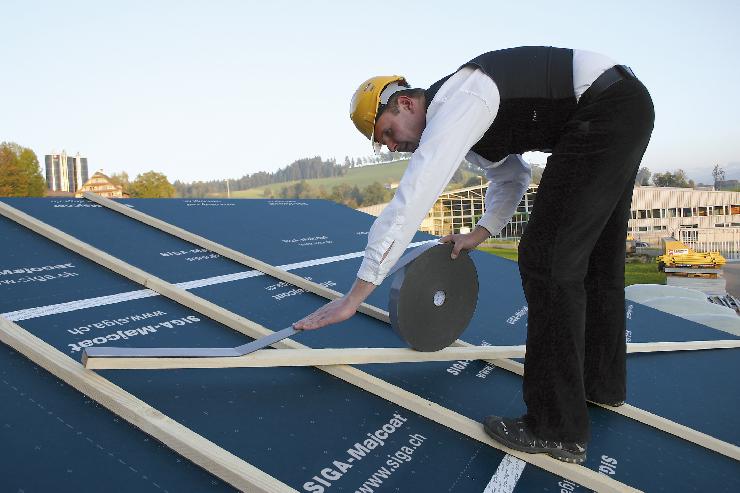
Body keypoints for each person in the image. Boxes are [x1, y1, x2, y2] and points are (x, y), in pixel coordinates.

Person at [294, 46, 654, 464]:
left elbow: (413, 196)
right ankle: (601, 385)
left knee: (546, 260)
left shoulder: (458, 99)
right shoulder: (475, 120)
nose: (392, 147)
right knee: (596, 259)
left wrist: (354, 298)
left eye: (388, 132)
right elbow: (512, 176)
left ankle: (555, 427)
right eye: (383, 144)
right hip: (624, 105)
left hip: (605, 109)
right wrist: (480, 233)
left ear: (406, 102)